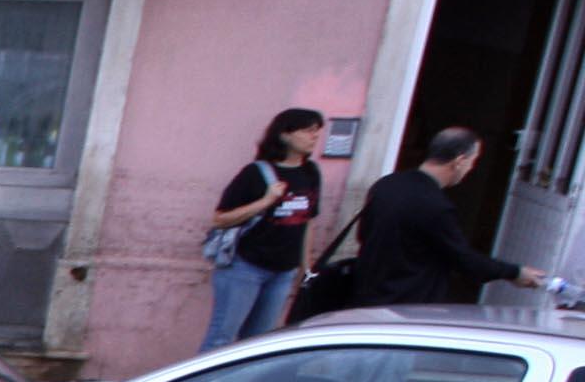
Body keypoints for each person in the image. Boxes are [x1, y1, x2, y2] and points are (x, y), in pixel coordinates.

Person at [350, 127, 546, 308]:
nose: (470, 169)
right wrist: (514, 272)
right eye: (472, 161)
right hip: (405, 307)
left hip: (366, 298)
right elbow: (464, 260)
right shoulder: (436, 206)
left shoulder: (386, 185)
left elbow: (363, 235)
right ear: (459, 161)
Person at [201, 107, 325, 348]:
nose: (314, 137)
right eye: (308, 131)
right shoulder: (255, 173)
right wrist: (265, 201)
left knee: (258, 343)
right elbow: (220, 218)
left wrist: (305, 267)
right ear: (285, 135)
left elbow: (308, 221)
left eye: (317, 131)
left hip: (283, 272)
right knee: (221, 338)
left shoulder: (311, 173)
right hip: (245, 267)